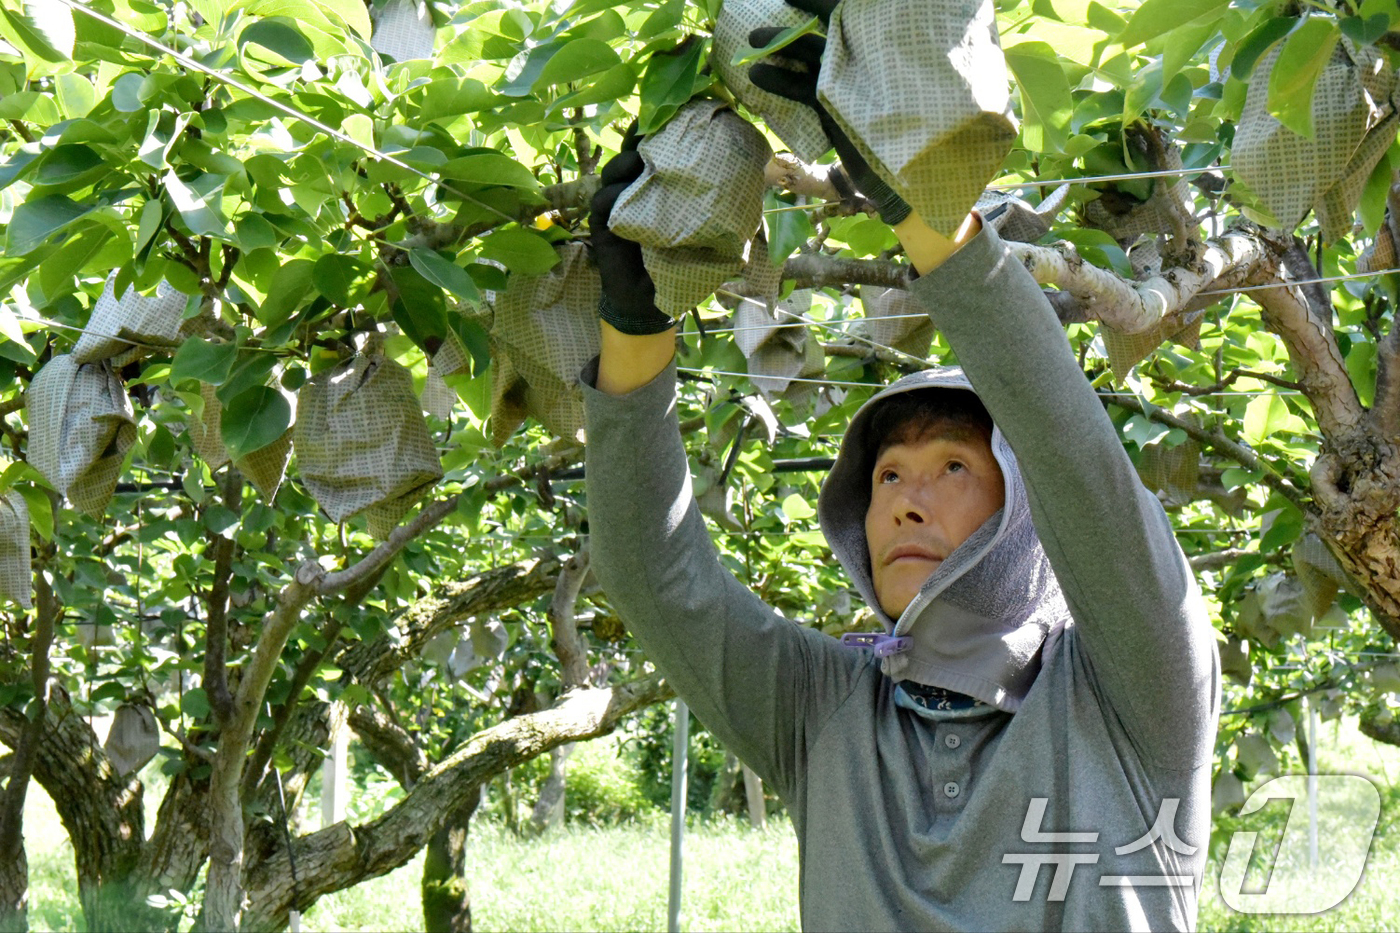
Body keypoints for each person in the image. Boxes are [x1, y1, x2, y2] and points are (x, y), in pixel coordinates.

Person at [580, 8, 1221, 930]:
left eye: (953, 466)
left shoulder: (1131, 689)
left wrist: (920, 202)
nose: (905, 505)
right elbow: (654, 576)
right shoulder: (826, 712)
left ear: (1024, 511)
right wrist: (635, 330)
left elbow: (1073, 454)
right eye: (886, 477)